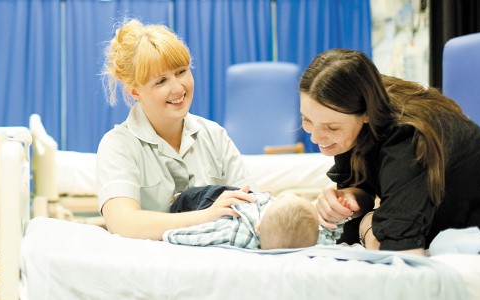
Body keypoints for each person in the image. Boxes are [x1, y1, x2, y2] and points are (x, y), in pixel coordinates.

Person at [300, 48, 480, 254]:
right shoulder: (356, 109)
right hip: (450, 214)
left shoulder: (407, 136)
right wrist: (351, 197)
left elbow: (400, 251)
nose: (315, 137)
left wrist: (367, 226)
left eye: (332, 127)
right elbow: (365, 185)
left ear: (366, 113)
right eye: (307, 120)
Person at [96, 19, 254, 240]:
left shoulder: (214, 135)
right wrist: (207, 216)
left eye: (181, 72)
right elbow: (123, 222)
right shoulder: (118, 145)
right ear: (135, 92)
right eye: (161, 81)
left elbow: (250, 204)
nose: (178, 88)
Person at [164, 186, 343, 250]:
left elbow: (201, 234)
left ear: (259, 227)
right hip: (245, 198)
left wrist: (171, 234)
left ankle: (177, 199)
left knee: (185, 198)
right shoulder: (312, 239)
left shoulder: (237, 233)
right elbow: (332, 232)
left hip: (212, 201)